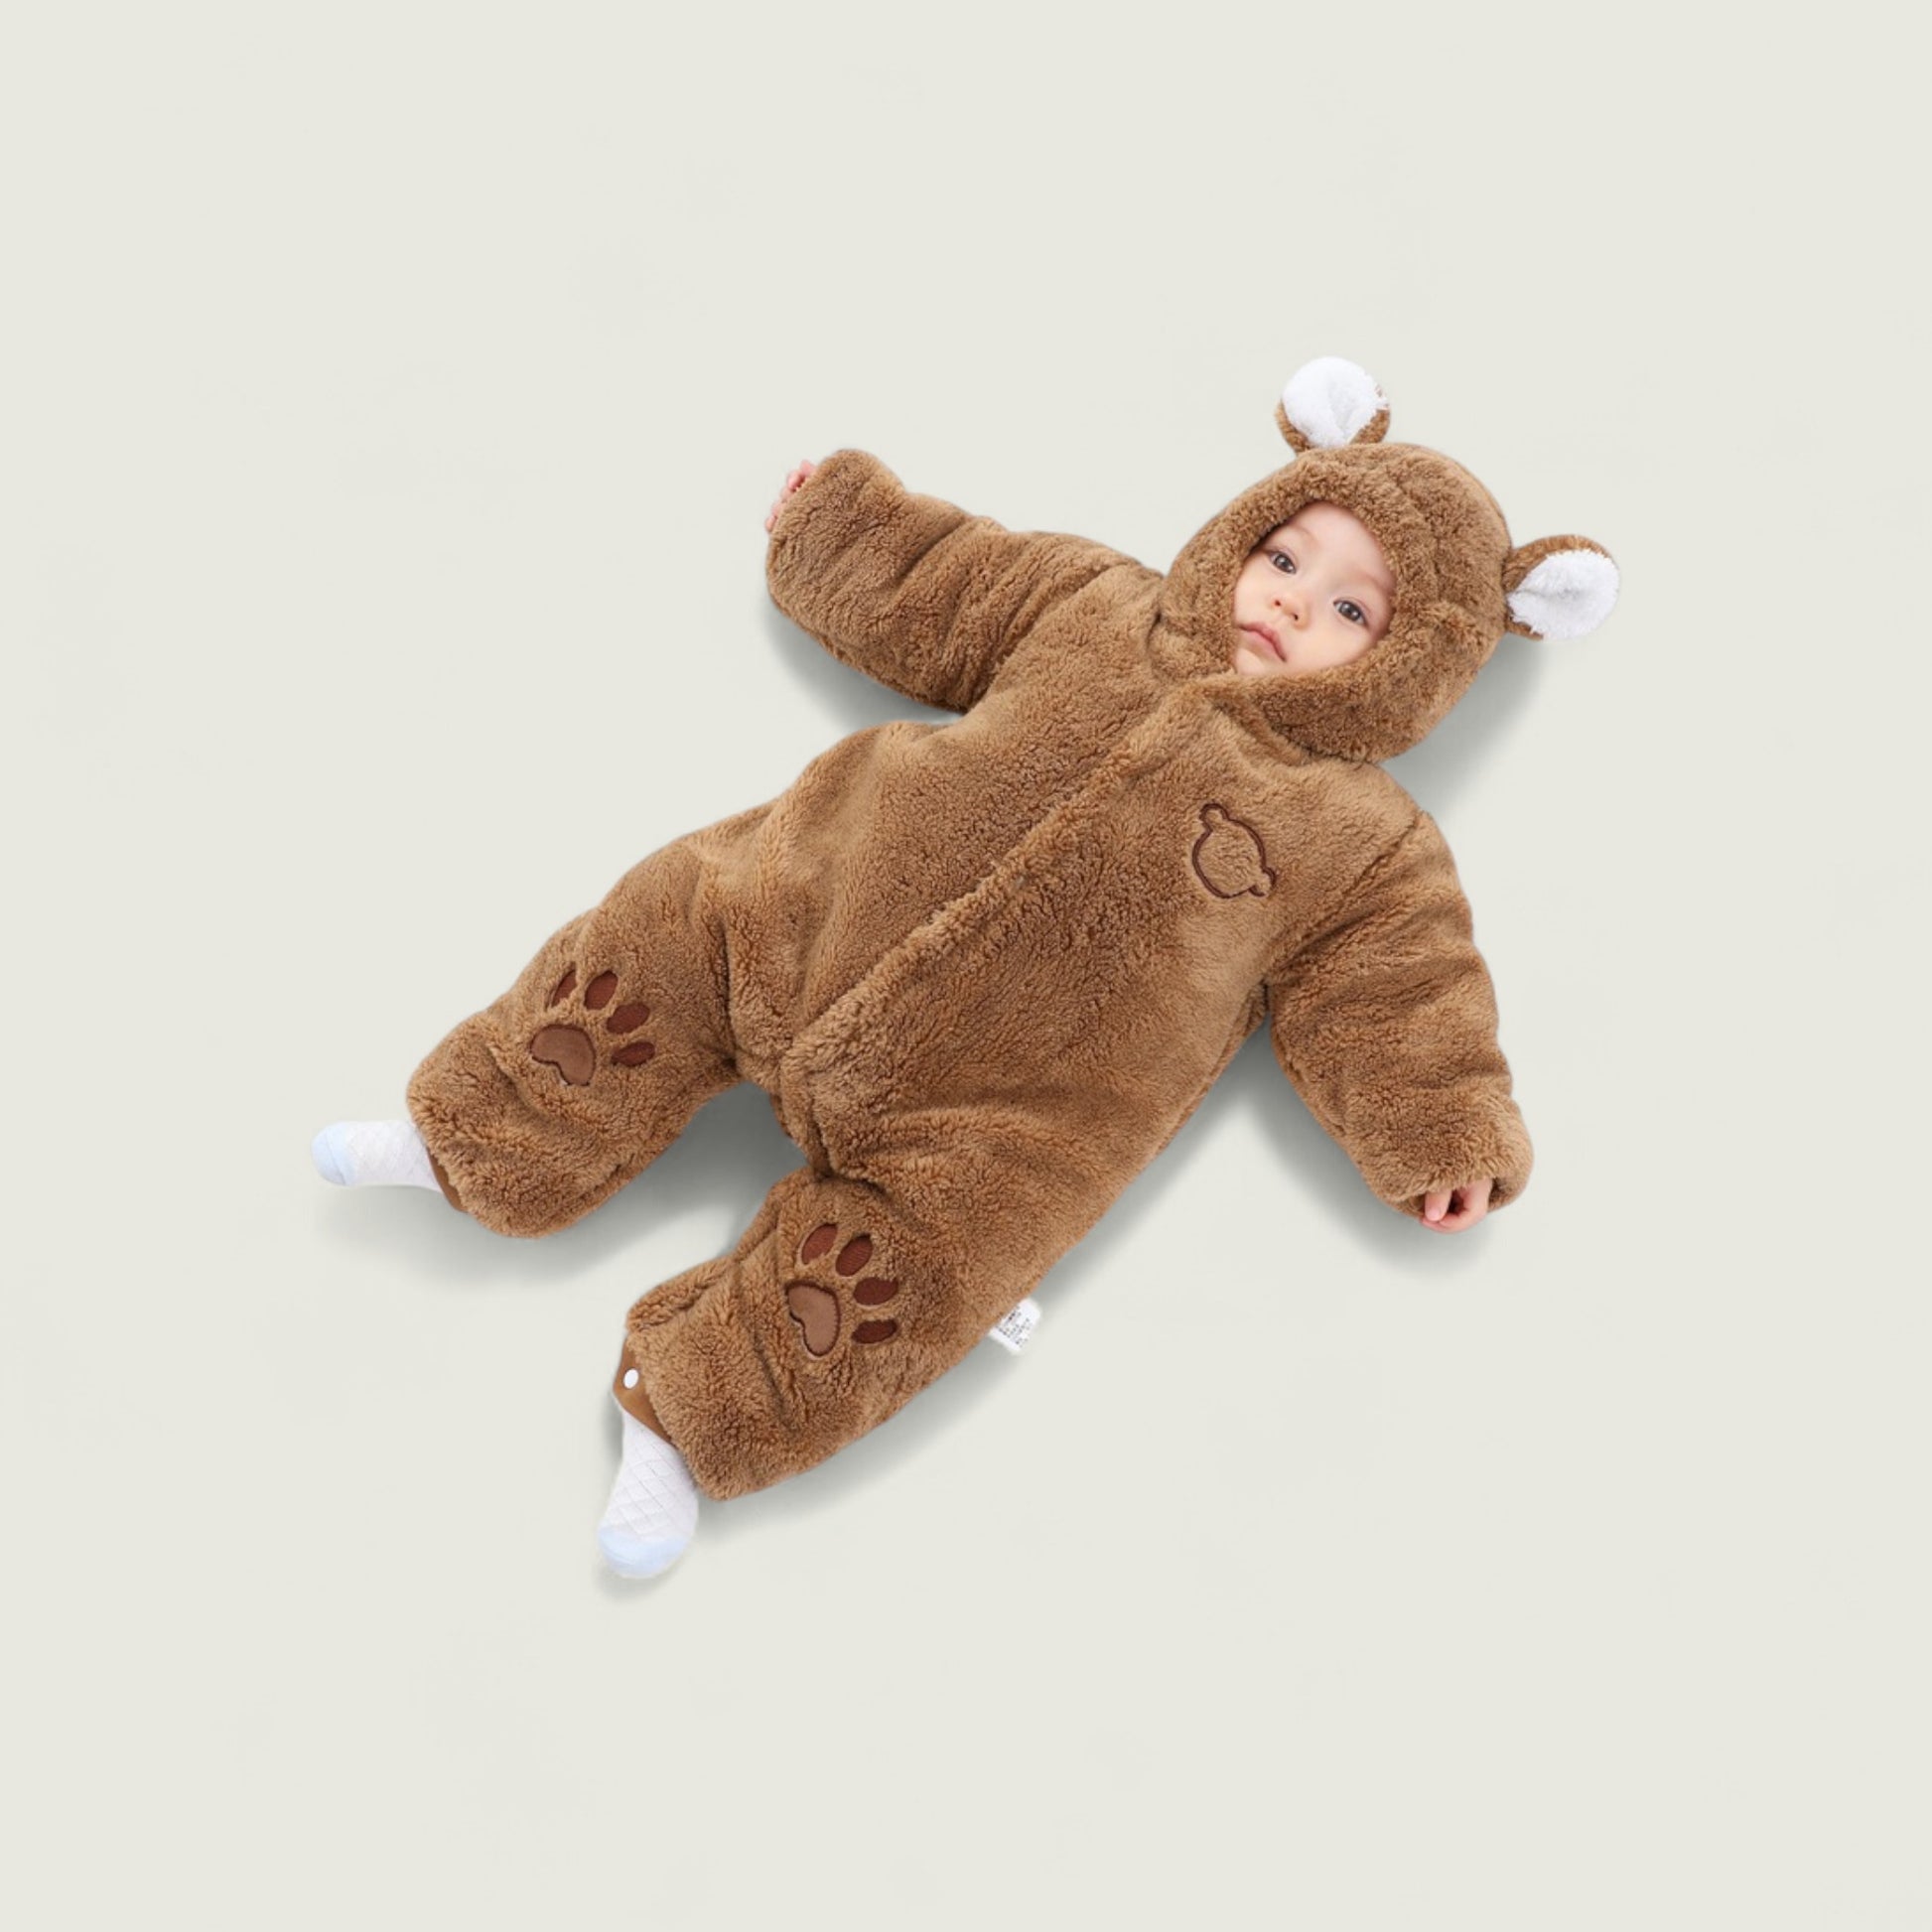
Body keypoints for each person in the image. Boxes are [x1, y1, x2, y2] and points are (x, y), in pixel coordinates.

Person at [313, 357, 1617, 1581]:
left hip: (1001, 1121)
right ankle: (474, 1136)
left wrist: (1438, 1129)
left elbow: (1400, 989)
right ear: (1244, 526)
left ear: (1421, 659)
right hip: (796, 907)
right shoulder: (1093, 606)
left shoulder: (1362, 840)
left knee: (913, 1273)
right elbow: (944, 581)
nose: (1286, 597)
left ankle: (688, 1421)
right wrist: (832, 527)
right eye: (1283, 553)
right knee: (651, 943)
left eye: (1351, 607)